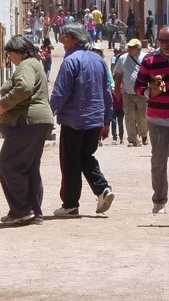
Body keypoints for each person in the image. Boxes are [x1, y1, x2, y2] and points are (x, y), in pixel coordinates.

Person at [50, 24, 115, 217]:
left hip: (74, 121)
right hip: (95, 120)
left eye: (65, 37)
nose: (62, 41)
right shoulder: (99, 60)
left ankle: (70, 204)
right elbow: (107, 93)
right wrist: (106, 120)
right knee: (85, 157)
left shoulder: (71, 60)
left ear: (75, 39)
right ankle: (103, 189)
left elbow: (60, 92)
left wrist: (49, 114)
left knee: (70, 162)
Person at [0, 35, 54, 225]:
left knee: (8, 164)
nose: (10, 59)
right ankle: (34, 212)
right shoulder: (35, 63)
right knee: (29, 168)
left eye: (10, 54)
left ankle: (21, 210)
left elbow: (24, 87)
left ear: (18, 52)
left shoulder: (26, 65)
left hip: (27, 122)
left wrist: (5, 103)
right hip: (38, 123)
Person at [134, 25, 169, 216]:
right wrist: (151, 92)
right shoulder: (149, 61)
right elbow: (138, 87)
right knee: (158, 161)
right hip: (157, 117)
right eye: (162, 41)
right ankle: (159, 200)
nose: (165, 45)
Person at [113, 39, 148, 147]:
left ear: (138, 48)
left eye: (132, 47)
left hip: (142, 93)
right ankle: (132, 139)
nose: (129, 49)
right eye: (129, 47)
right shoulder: (122, 59)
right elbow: (118, 76)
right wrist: (118, 90)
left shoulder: (145, 58)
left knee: (142, 116)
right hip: (128, 93)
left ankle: (143, 135)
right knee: (129, 116)